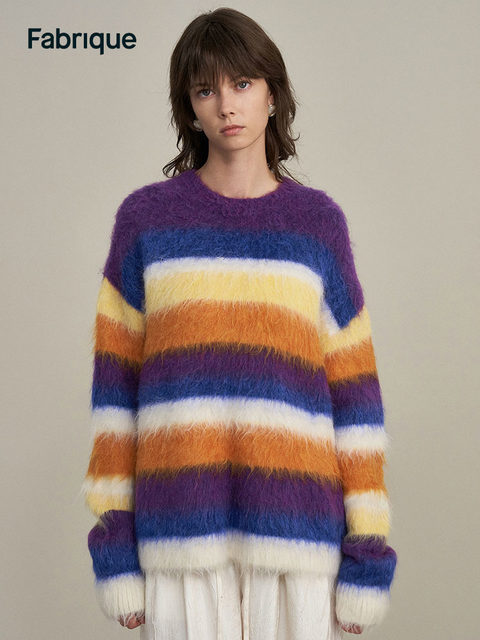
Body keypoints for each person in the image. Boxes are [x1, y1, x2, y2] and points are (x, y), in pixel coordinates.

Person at [81, 7, 397, 639]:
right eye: (206, 90)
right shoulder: (146, 223)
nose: (227, 105)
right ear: (189, 109)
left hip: (298, 546)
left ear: (272, 94)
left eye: (243, 84)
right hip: (180, 540)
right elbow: (115, 396)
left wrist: (368, 554)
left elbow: (356, 398)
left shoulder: (318, 225)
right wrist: (114, 548)